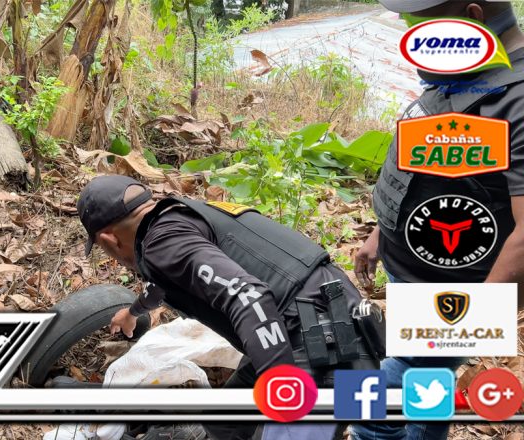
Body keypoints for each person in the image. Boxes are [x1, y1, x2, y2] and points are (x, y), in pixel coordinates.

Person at [77, 175, 382, 440]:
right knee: (223, 424)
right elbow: (162, 285)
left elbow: (250, 296)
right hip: (321, 320)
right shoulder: (176, 217)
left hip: (323, 344)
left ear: (109, 240)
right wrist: (132, 313)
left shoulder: (162, 242)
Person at [352, 1, 524, 439]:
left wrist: (465, 326)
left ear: (471, 18)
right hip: (411, 270)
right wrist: (380, 234)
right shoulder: (462, 76)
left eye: (421, 30)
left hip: (457, 296)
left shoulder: (517, 101)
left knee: (371, 403)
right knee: (426, 387)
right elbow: (426, 169)